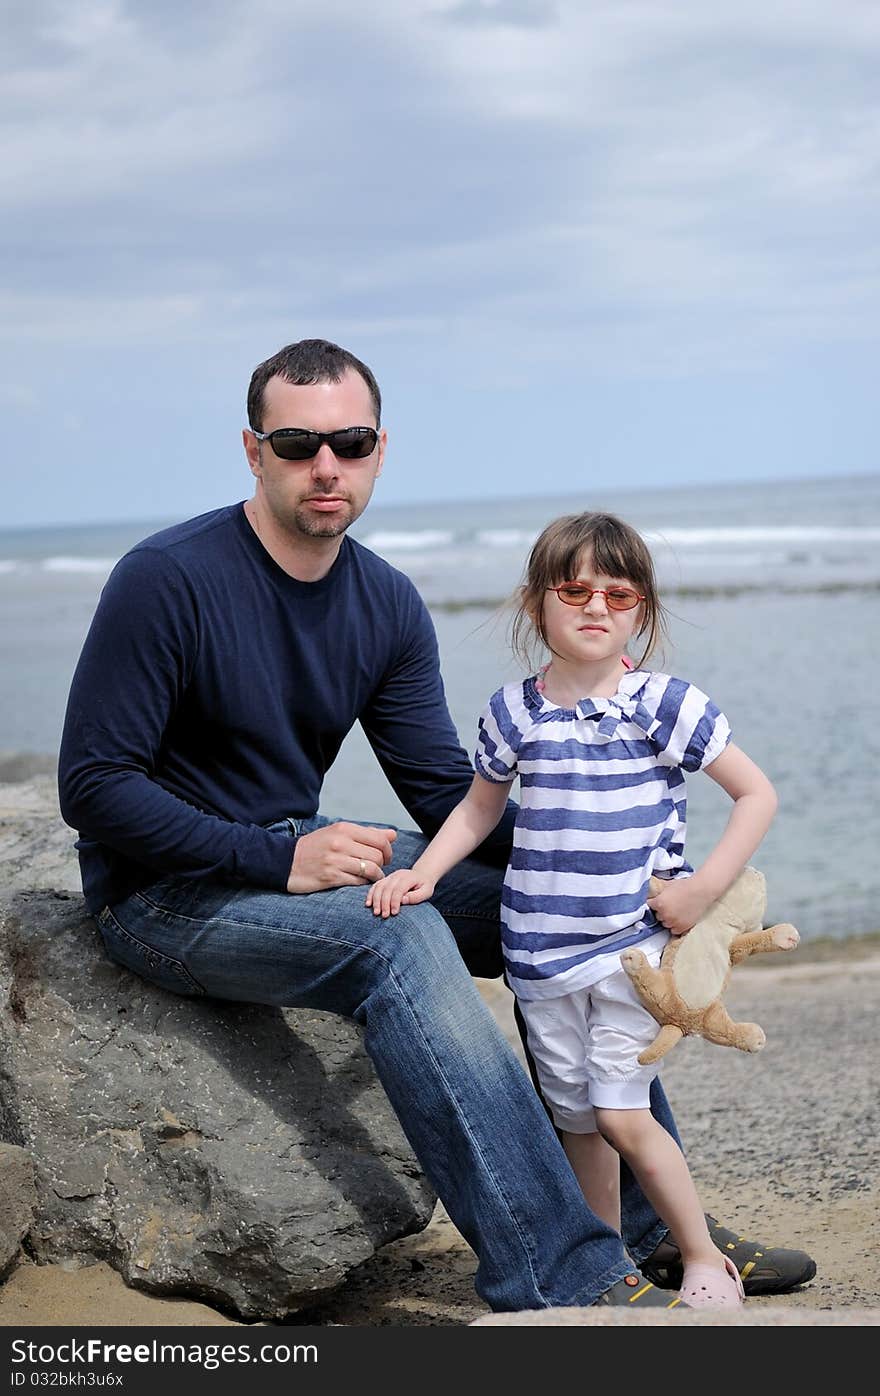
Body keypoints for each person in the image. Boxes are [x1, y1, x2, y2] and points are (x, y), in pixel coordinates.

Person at [58, 338, 815, 1314]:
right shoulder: (167, 578)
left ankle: (654, 1229)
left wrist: (606, 878)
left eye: (350, 440)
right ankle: (563, 1275)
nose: (325, 465)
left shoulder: (383, 602)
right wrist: (278, 856)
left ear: (378, 449)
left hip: (291, 853)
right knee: (398, 936)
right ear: (254, 452)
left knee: (542, 910)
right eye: (296, 443)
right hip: (161, 895)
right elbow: (94, 783)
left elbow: (442, 790)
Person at [367, 509, 791, 1308]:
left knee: (622, 1114)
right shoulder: (513, 712)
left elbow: (755, 794)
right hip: (537, 957)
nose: (597, 608)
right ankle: (608, 1267)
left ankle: (701, 1254)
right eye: (575, 590)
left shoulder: (663, 704)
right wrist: (422, 873)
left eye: (620, 595)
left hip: (633, 952)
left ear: (642, 612)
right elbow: (479, 809)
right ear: (538, 604)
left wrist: (701, 892)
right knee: (578, 1125)